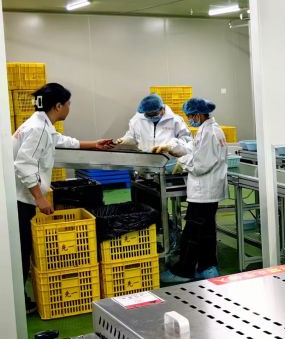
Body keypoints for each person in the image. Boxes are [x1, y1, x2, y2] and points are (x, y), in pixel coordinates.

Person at [12, 83, 113, 312]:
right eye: (68, 104)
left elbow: (60, 141)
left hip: (20, 196)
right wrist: (40, 198)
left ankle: (19, 299)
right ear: (58, 106)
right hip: (19, 199)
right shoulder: (38, 128)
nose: (69, 108)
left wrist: (94, 145)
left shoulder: (41, 124)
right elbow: (24, 164)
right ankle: (18, 304)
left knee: (22, 248)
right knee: (21, 250)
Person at [157, 98, 227, 283]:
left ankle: (184, 272)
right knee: (206, 232)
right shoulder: (208, 130)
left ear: (199, 114)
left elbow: (200, 164)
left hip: (204, 190)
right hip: (208, 191)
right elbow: (194, 148)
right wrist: (173, 146)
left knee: (192, 233)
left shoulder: (210, 133)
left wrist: (182, 161)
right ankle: (207, 267)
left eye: (190, 116)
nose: (189, 120)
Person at [113, 94, 191, 152]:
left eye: (154, 114)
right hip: (144, 160)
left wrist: (171, 146)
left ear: (162, 109)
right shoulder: (137, 120)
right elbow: (132, 136)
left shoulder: (175, 120)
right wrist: (125, 140)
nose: (151, 117)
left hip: (168, 160)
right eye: (148, 115)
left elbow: (186, 139)